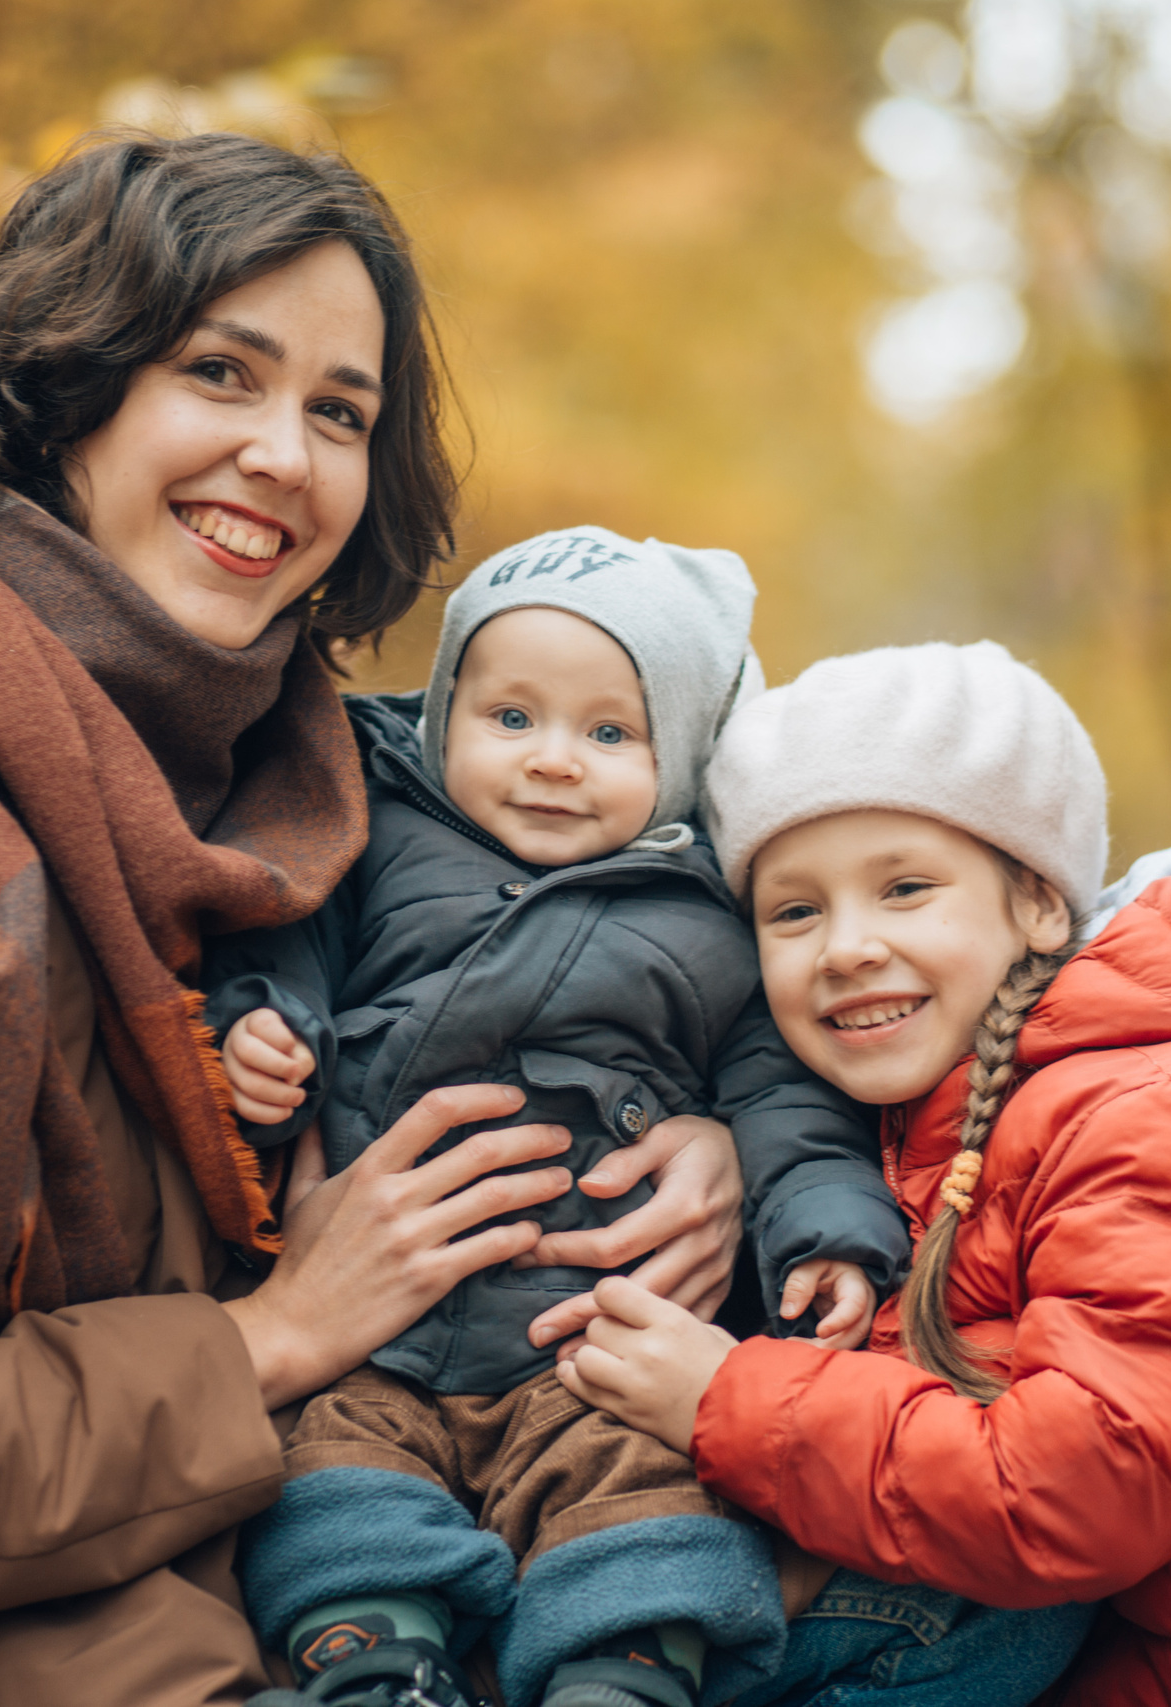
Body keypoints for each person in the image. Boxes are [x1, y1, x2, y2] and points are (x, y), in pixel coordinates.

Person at [0, 131, 749, 1707]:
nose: (286, 455)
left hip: (379, 1555)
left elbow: (554, 993)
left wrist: (688, 1141)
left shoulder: (300, 783)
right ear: (61, 386)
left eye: (339, 411)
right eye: (221, 371)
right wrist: (276, 1333)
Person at [558, 640, 1171, 1707]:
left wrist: (725, 1399)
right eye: (794, 911)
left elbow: (1083, 1489)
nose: (845, 947)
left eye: (904, 888)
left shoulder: (1160, 1111)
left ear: (1038, 904)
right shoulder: (893, 1124)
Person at [204, 528, 913, 1707]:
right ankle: (374, 1663)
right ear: (444, 711)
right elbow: (285, 935)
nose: (551, 761)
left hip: (586, 1333)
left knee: (649, 1492)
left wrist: (827, 1232)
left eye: (608, 734)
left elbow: (783, 1100)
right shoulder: (376, 832)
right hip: (376, 1327)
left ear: (681, 760)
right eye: (510, 717)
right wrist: (266, 1025)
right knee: (330, 1473)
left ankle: (619, 1674)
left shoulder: (708, 919)